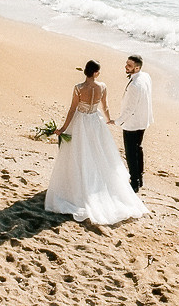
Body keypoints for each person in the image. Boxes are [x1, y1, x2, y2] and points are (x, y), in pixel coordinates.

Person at [45, 60, 148, 225]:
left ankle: (77, 185)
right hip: (95, 121)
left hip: (80, 122)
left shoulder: (78, 88)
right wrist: (109, 120)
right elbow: (105, 106)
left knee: (78, 153)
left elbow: (72, 109)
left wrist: (63, 128)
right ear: (96, 73)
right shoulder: (102, 87)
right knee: (98, 153)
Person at [110, 54, 153, 193]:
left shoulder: (135, 85)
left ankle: (134, 182)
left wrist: (117, 121)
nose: (126, 67)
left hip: (133, 123)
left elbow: (130, 109)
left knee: (130, 153)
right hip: (143, 120)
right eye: (126, 64)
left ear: (137, 68)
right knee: (138, 149)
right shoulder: (146, 76)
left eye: (129, 65)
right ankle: (139, 178)